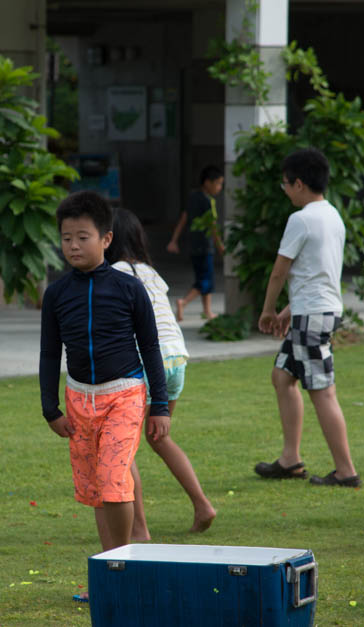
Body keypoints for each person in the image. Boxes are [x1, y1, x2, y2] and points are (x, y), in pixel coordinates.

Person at [39, 191, 171, 602]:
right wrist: (50, 408)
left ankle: (127, 571)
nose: (73, 246)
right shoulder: (57, 294)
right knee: (98, 489)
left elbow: (150, 347)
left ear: (106, 239)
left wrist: (160, 405)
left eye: (82, 236)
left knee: (115, 482)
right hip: (79, 400)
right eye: (66, 238)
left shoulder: (130, 288)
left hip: (125, 395)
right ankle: (110, 577)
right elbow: (48, 353)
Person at [105, 208, 217, 537]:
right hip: (176, 358)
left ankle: (139, 528)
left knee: (123, 447)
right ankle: (202, 504)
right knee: (160, 437)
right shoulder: (150, 272)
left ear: (106, 239)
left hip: (147, 362)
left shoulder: (113, 274)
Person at [253, 147, 360, 487]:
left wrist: (269, 310)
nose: (284, 190)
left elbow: (279, 271)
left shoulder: (301, 219)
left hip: (313, 316)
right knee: (282, 376)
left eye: (285, 184)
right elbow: (318, 274)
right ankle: (289, 459)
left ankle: (346, 472)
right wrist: (289, 311)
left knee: (322, 392)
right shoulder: (332, 215)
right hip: (316, 310)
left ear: (298, 184)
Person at [167, 165, 225, 321]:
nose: (220, 187)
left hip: (193, 246)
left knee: (204, 277)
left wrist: (174, 240)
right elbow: (213, 226)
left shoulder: (193, 197)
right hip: (205, 246)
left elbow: (184, 219)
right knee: (205, 281)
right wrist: (220, 246)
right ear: (208, 182)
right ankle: (183, 302)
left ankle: (207, 311)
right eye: (218, 183)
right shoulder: (207, 202)